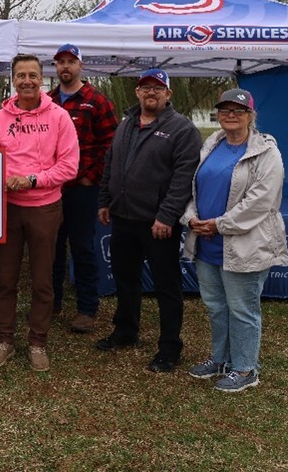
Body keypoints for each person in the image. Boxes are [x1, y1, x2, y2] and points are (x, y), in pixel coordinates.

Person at [182, 88, 288, 392]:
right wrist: (190, 217)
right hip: (207, 244)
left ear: (250, 116)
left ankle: (245, 369)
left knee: (242, 309)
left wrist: (218, 224)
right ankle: (220, 359)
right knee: (216, 306)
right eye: (225, 110)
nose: (231, 116)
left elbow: (260, 202)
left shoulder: (266, 152)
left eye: (238, 111)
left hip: (245, 245)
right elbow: (195, 189)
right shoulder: (212, 143)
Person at [96, 68, 202, 373]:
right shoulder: (126, 124)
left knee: (167, 286)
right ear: (137, 93)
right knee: (126, 279)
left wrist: (166, 216)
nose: (151, 93)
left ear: (168, 94)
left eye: (158, 89)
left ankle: (170, 347)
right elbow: (110, 164)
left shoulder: (182, 130)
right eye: (146, 88)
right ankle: (126, 331)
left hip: (158, 224)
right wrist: (105, 201)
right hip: (123, 218)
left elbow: (183, 179)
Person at [0, 54, 79, 370]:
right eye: (21, 75)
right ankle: (5, 340)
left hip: (45, 208)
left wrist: (32, 180)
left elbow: (69, 166)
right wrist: (1, 181)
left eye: (33, 75)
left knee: (42, 280)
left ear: (42, 79)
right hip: (9, 209)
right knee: (6, 279)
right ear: (13, 79)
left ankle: (38, 342)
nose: (27, 81)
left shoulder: (59, 117)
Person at [48, 44, 118, 333]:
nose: (66, 67)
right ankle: (51, 303)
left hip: (82, 187)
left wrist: (92, 176)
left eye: (71, 62)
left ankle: (87, 308)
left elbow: (111, 145)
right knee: (51, 249)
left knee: (82, 248)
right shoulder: (47, 101)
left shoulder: (96, 101)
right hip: (51, 188)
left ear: (81, 66)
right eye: (61, 62)